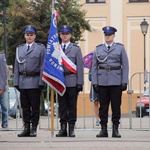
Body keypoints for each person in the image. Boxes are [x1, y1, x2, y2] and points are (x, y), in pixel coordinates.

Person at [92, 26, 129, 138]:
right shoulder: (98, 49)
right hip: (102, 81)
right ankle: (103, 129)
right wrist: (95, 82)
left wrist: (124, 81)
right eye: (106, 35)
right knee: (103, 107)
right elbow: (94, 67)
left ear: (113, 36)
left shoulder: (120, 48)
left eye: (109, 35)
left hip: (116, 81)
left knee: (116, 106)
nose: (107, 37)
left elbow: (125, 65)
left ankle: (115, 129)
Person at [13, 25, 45, 137]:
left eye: (31, 35)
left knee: (35, 107)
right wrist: (15, 82)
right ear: (24, 36)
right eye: (27, 35)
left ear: (35, 36)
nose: (29, 37)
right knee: (24, 107)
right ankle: (26, 127)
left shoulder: (40, 48)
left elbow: (42, 66)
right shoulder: (19, 48)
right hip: (22, 80)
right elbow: (16, 66)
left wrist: (42, 82)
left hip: (35, 81)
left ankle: (33, 128)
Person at [56, 25, 84, 137]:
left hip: (72, 80)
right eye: (63, 34)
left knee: (72, 105)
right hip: (60, 80)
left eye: (67, 33)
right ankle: (63, 128)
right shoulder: (56, 48)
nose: (65, 35)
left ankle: (71, 128)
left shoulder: (76, 49)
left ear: (70, 35)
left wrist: (80, 82)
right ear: (60, 35)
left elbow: (80, 66)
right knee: (62, 105)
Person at [0, 52, 7, 128]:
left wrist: (2, 87)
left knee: (4, 106)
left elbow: (3, 73)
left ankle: (5, 123)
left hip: (1, 86)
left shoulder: (1, 56)